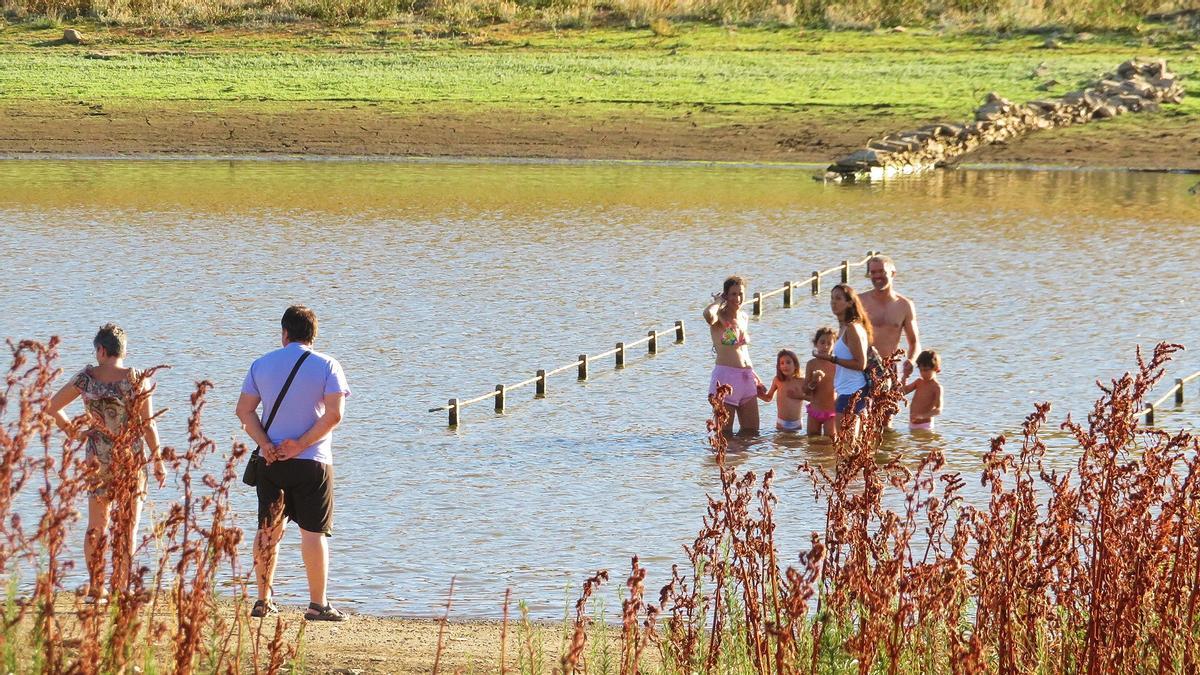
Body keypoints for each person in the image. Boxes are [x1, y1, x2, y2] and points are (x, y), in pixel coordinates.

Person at [236, 305, 350, 621]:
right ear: (313, 335)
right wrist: (300, 444)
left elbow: (244, 411)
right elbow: (334, 414)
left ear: (284, 333)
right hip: (313, 461)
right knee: (313, 534)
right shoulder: (328, 365)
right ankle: (317, 604)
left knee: (268, 530)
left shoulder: (261, 364)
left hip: (271, 463)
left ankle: (262, 600)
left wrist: (266, 445)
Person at [45, 324, 164, 601]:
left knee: (97, 525)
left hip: (97, 460)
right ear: (122, 351)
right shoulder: (137, 379)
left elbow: (52, 406)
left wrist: (73, 432)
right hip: (130, 461)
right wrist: (158, 459)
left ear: (101, 350)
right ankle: (121, 588)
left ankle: (96, 588)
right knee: (127, 526)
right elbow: (148, 425)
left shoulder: (85, 378)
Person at [703, 276, 766, 433]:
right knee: (724, 433)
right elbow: (708, 315)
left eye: (740, 293)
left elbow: (743, 351)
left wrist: (755, 377)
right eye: (733, 294)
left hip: (746, 379)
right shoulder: (719, 316)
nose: (737, 298)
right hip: (726, 379)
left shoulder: (744, 317)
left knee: (752, 433)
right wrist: (718, 302)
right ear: (726, 295)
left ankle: (742, 459)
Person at [812, 284, 874, 434]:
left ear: (850, 302)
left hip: (853, 391)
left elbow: (861, 363)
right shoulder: (844, 327)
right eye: (831, 298)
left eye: (838, 298)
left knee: (847, 446)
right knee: (850, 447)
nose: (833, 302)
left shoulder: (852, 328)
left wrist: (832, 359)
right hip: (847, 391)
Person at [860, 255, 920, 381]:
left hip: (888, 370)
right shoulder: (859, 301)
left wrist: (911, 360)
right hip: (860, 368)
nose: (877, 276)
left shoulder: (904, 305)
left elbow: (914, 342)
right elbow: (844, 336)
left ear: (893, 273)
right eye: (873, 272)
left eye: (881, 271)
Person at [758, 349, 806, 432]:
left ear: (795, 365)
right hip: (781, 423)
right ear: (779, 367)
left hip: (797, 423)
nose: (785, 366)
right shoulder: (777, 380)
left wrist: (798, 396)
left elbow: (811, 398)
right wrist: (758, 394)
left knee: (798, 444)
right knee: (780, 443)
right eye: (782, 363)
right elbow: (768, 398)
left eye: (788, 362)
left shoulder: (801, 381)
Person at [803, 327, 838, 438]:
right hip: (815, 411)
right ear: (816, 344)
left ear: (834, 346)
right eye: (822, 342)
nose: (825, 346)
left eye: (829, 343)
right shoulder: (811, 364)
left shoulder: (837, 365)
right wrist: (813, 382)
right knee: (812, 441)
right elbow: (805, 390)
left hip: (831, 412)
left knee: (830, 442)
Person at [901, 350, 943, 431]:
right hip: (912, 424)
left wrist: (922, 416)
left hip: (925, 426)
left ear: (936, 368)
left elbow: (938, 410)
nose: (923, 373)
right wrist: (905, 377)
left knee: (923, 443)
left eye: (926, 370)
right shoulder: (918, 382)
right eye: (920, 370)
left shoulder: (936, 387)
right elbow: (903, 391)